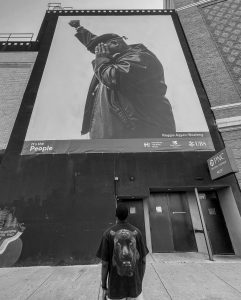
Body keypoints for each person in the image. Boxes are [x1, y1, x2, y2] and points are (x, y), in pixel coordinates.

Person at [69, 21, 176, 139]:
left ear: (115, 43)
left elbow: (114, 78)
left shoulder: (139, 57)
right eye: (98, 51)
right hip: (115, 139)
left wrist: (101, 62)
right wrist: (79, 29)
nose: (98, 53)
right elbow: (93, 41)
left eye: (102, 48)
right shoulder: (111, 62)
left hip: (141, 133)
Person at [96, 203, 149, 300]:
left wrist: (103, 285)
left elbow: (104, 264)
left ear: (115, 215)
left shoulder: (107, 234)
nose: (125, 253)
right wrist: (139, 281)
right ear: (127, 215)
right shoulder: (137, 233)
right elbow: (144, 260)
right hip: (135, 288)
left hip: (115, 289)